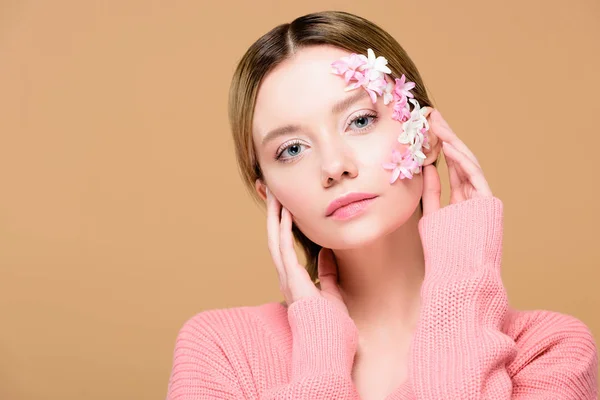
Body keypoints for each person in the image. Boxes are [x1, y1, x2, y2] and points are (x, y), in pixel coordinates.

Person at [166, 10, 598, 400]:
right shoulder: (221, 349)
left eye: (360, 120)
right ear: (270, 194)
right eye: (293, 149)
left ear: (425, 137)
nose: (334, 166)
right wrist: (320, 355)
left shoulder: (549, 349)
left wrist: (461, 288)